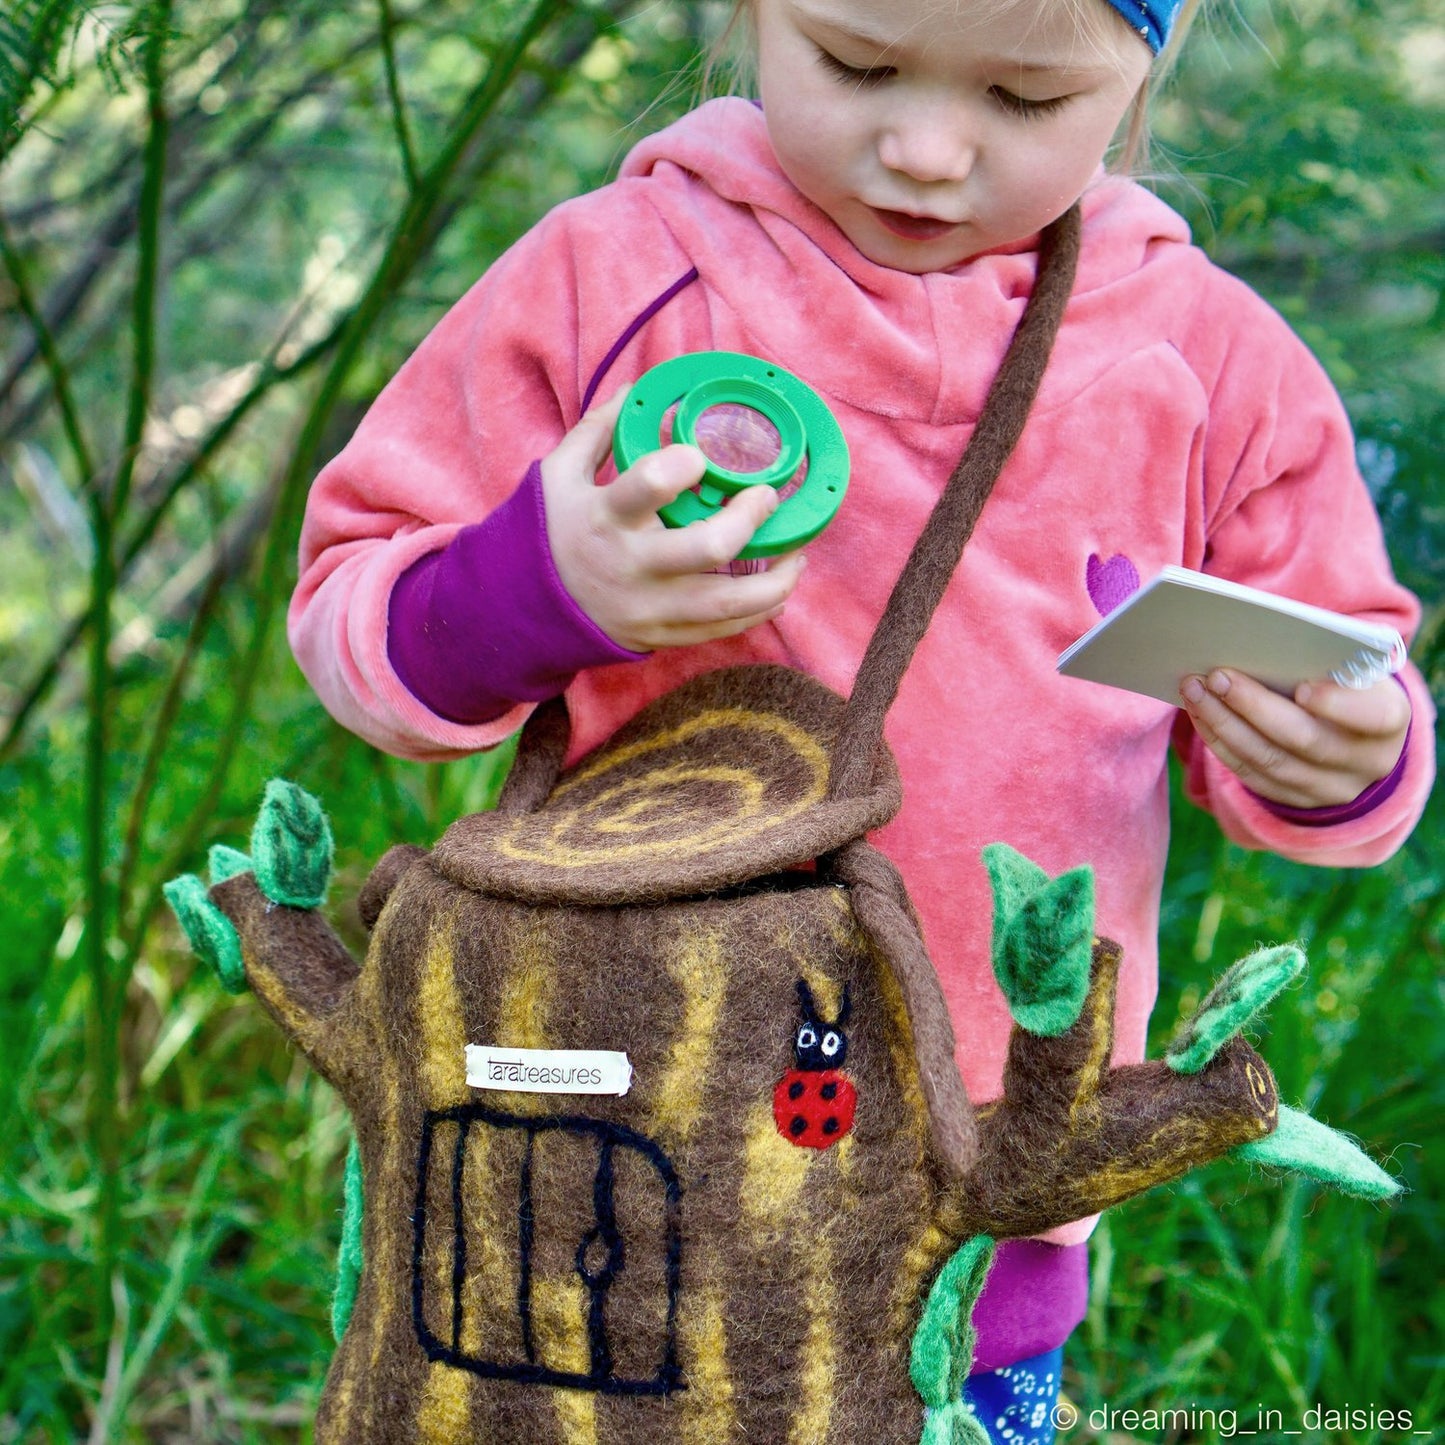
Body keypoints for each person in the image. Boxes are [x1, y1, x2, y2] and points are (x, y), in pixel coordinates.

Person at [288, 0, 1436, 1439]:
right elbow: (351, 614)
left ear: (1146, 74)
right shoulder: (614, 278)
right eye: (857, 64)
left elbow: (1330, 675)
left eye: (1023, 99)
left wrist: (1347, 753)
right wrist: (537, 582)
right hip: (601, 1151)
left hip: (979, 1202)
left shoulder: (1206, 366)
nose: (923, 148)